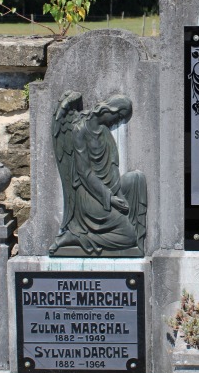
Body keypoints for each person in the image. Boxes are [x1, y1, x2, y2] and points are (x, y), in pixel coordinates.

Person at [50, 92, 147, 255]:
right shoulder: (79, 129)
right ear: (109, 109)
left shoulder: (104, 131)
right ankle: (74, 236)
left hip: (107, 189)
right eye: (119, 116)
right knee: (129, 237)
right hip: (89, 194)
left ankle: (118, 225)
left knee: (136, 178)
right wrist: (110, 198)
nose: (118, 121)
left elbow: (112, 171)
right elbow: (85, 172)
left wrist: (118, 195)